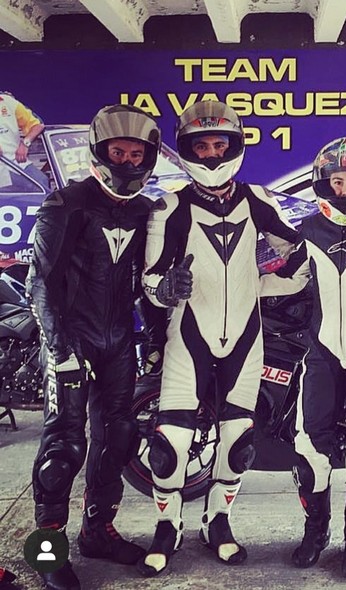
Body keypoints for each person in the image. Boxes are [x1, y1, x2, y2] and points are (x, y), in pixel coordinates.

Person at [138, 100, 298, 576]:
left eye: (219, 144)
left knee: (238, 440)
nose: (211, 154)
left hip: (246, 338)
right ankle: (167, 527)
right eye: (202, 146)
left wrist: (282, 268)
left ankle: (218, 522)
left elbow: (297, 258)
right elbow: (150, 279)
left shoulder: (259, 200)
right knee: (170, 443)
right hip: (187, 337)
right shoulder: (169, 207)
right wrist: (166, 287)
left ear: (235, 146)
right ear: (187, 150)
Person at [26, 104, 163, 590]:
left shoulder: (147, 211)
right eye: (118, 152)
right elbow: (40, 283)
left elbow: (148, 282)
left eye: (135, 154)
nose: (127, 162)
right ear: (99, 153)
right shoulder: (66, 204)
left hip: (119, 340)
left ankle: (97, 533)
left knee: (119, 437)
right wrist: (60, 347)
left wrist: (156, 337)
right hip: (72, 338)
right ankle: (47, 551)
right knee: (63, 447)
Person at [260, 137, 346, 579]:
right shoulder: (309, 230)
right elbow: (284, 278)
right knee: (309, 447)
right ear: (324, 183)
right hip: (320, 350)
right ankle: (315, 533)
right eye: (337, 182)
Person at [0, 91, 49, 189]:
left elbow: (38, 125)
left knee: (42, 181)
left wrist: (25, 143)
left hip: (15, 162)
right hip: (2, 166)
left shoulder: (8, 101)